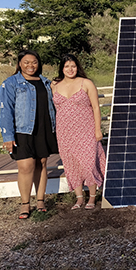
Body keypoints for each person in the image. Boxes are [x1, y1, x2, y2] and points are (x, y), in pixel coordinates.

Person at [0, 50, 58, 219]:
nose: (30, 66)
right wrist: (8, 136)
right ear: (19, 64)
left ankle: (40, 200)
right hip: (22, 131)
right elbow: (6, 110)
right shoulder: (11, 83)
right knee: (25, 166)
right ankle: (25, 204)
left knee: (42, 163)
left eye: (34, 62)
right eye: (26, 62)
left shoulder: (46, 83)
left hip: (44, 128)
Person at [51, 54, 106, 210]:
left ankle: (92, 197)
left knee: (89, 163)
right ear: (62, 68)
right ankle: (79, 198)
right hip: (64, 132)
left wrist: (97, 130)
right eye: (67, 66)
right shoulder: (54, 85)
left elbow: (95, 108)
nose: (70, 69)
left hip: (86, 130)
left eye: (73, 66)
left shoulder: (86, 83)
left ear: (78, 67)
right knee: (71, 164)